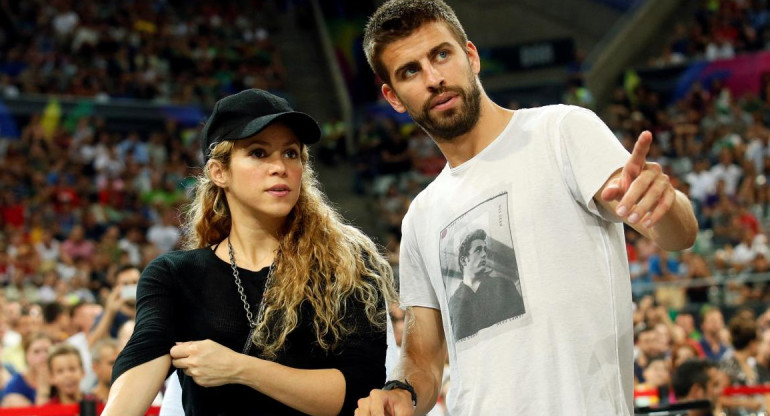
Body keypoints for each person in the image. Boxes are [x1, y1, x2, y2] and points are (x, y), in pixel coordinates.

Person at [355, 1, 698, 414]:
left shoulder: (560, 131)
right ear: (392, 97)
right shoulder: (420, 217)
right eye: (410, 70)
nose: (434, 78)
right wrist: (401, 393)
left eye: (441, 54)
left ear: (471, 56)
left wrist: (664, 205)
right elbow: (424, 358)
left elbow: (677, 234)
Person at [104, 89, 396, 416]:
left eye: (291, 153)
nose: (280, 167)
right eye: (258, 153)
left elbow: (360, 388)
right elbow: (141, 362)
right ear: (219, 172)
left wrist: (240, 369)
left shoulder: (347, 264)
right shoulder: (175, 275)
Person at [448, 229, 523, 340]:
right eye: (478, 250)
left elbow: (523, 328)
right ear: (464, 261)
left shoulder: (505, 286)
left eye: (485, 250)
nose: (484, 254)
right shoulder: (453, 303)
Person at [0, 332, 54, 407]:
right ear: (26, 355)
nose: (43, 356)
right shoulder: (15, 385)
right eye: (36, 352)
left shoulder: (60, 378)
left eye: (47, 351)